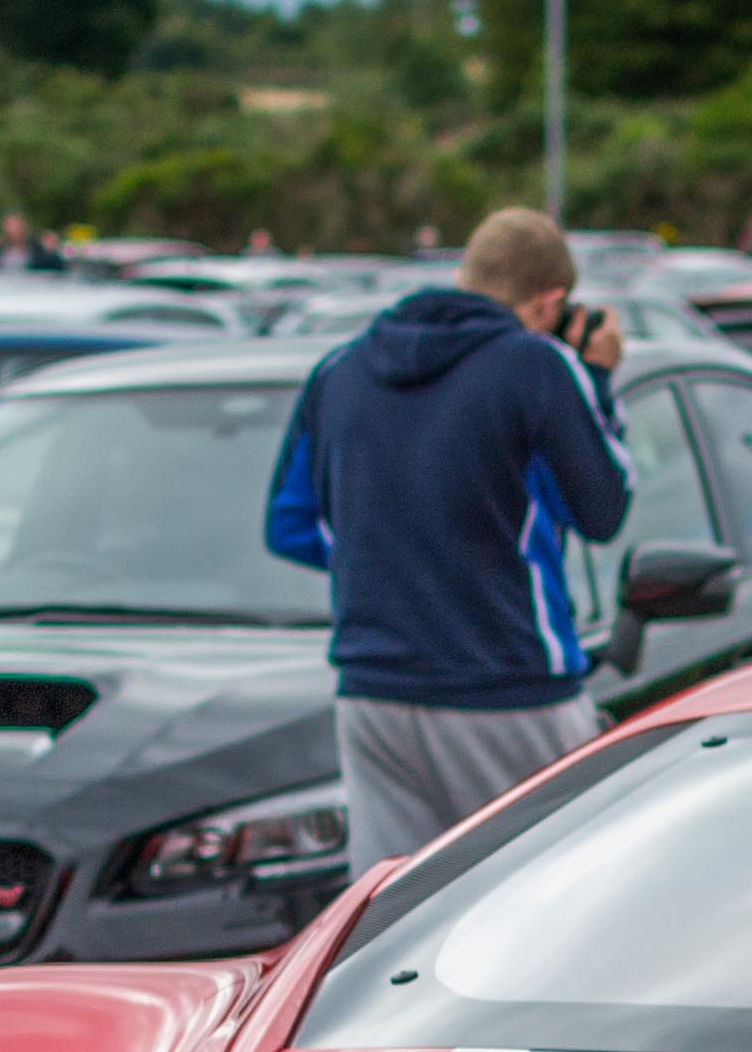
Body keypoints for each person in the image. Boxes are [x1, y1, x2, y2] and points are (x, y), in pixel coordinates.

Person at [262, 205, 634, 866]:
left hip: (373, 687)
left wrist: (399, 559)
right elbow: (603, 510)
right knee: (548, 884)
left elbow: (290, 526)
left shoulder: (340, 368)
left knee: (398, 905)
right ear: (549, 302)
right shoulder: (537, 365)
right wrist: (599, 381)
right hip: (507, 681)